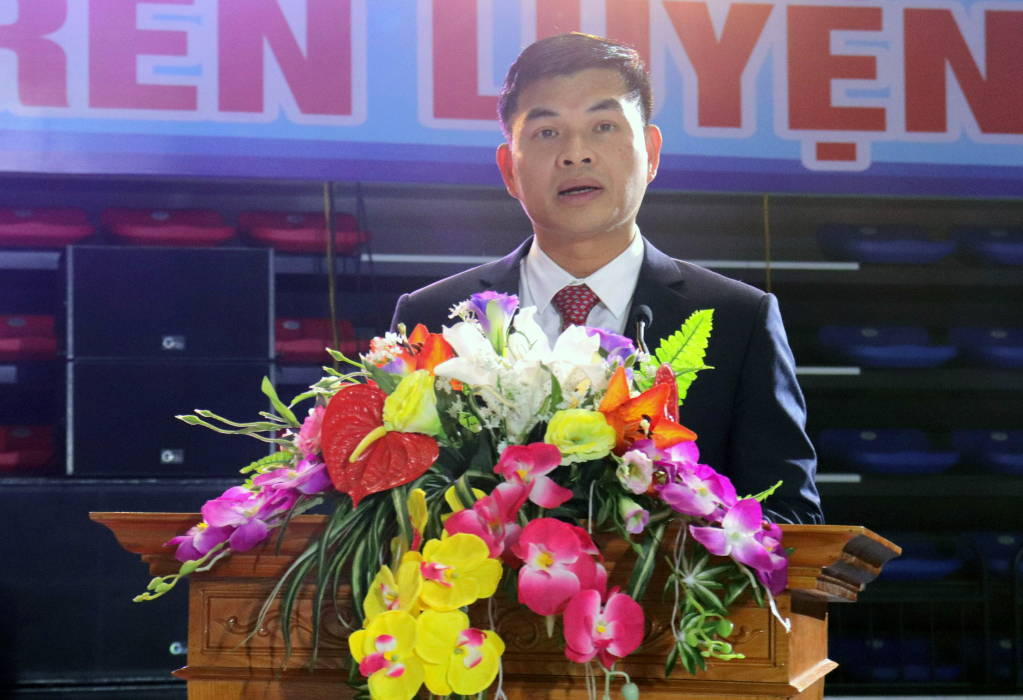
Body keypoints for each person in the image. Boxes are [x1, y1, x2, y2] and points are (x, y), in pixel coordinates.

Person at [391, 33, 822, 524]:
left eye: (603, 126)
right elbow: (389, 513)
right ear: (509, 169)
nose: (576, 154)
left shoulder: (738, 322)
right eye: (547, 132)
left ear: (651, 153)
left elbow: (789, 516)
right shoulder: (432, 319)